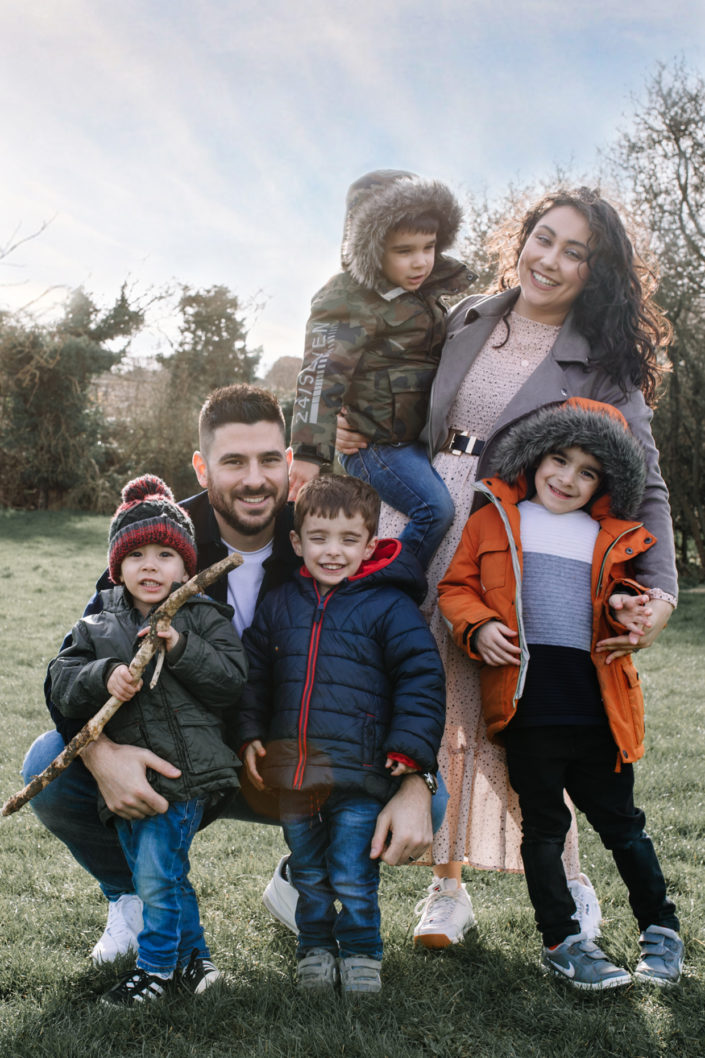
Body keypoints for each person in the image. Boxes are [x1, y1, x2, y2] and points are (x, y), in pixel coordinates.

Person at [335, 187, 678, 949]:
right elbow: (392, 391)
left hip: (511, 548)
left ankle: (574, 884)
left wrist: (657, 593)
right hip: (417, 522)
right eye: (542, 238)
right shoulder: (464, 316)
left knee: (511, 716)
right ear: (519, 238)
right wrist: (344, 420)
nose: (549, 260)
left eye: (573, 251)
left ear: (596, 272)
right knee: (423, 705)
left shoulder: (606, 365)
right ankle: (442, 891)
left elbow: (644, 481)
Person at [22, 384, 438, 966]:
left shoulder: (318, 537)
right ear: (201, 465)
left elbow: (401, 665)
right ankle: (132, 898)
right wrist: (99, 753)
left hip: (289, 756)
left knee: (422, 802)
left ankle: (303, 871)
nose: (254, 479)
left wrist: (419, 778)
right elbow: (78, 657)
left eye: (270, 459)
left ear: (289, 461)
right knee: (47, 762)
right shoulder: (155, 539)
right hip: (175, 752)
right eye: (233, 461)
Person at [437, 399, 683, 989]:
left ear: (607, 482)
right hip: (529, 712)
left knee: (623, 825)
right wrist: (478, 624)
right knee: (544, 831)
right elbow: (455, 587)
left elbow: (623, 597)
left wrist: (627, 604)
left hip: (600, 711)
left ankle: (662, 932)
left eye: (588, 471)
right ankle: (565, 941)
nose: (568, 478)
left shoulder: (613, 535)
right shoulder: (495, 518)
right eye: (559, 459)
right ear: (535, 457)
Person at [237, 475, 445, 994]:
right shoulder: (281, 603)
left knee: (353, 874)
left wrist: (410, 751)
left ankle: (360, 953)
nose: (333, 551)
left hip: (360, 774)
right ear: (297, 542)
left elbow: (421, 678)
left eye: (349, 540)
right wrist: (248, 733)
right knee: (308, 872)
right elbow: (254, 675)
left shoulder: (389, 606)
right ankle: (314, 948)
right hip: (294, 773)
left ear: (370, 544)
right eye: (320, 538)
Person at [49, 475, 248, 1004]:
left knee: (158, 873)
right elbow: (61, 679)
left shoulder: (204, 617)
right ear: (117, 567)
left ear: (186, 564)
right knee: (162, 872)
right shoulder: (97, 624)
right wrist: (103, 675)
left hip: (184, 774)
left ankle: (156, 969)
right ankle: (196, 963)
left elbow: (231, 682)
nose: (151, 565)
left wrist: (180, 647)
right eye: (136, 554)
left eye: (165, 553)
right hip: (124, 778)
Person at [289, 169, 475, 569]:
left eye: (428, 247)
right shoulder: (347, 298)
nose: (421, 261)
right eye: (404, 250)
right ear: (374, 249)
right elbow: (320, 375)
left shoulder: (427, 293)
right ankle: (392, 581)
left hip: (416, 439)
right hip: (374, 446)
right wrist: (308, 452)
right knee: (435, 509)